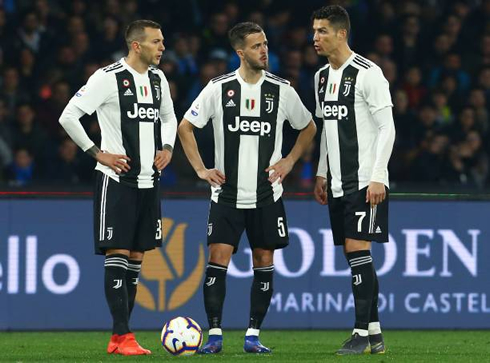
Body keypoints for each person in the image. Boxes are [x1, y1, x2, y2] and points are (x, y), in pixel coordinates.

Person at [178, 22, 316, 354]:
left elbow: (308, 127)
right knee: (218, 257)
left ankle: (253, 335)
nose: (264, 50)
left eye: (265, 44)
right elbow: (186, 127)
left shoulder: (281, 90)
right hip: (226, 195)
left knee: (263, 258)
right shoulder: (218, 88)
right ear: (240, 53)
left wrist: (289, 161)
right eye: (257, 46)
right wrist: (200, 169)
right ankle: (214, 336)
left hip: (266, 195)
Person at [59, 20, 177, 355]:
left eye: (163, 41)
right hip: (116, 181)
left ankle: (119, 337)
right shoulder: (107, 78)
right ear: (137, 46)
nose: (162, 47)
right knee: (118, 252)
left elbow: (168, 117)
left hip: (148, 181)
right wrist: (99, 154)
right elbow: (69, 116)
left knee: (137, 257)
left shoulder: (158, 79)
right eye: (157, 41)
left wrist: (167, 148)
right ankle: (123, 335)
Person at [311, 5, 395, 355]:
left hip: (365, 180)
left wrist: (378, 177)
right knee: (352, 254)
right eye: (314, 31)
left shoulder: (368, 73)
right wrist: (320, 171)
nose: (315, 38)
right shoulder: (320, 78)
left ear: (341, 33)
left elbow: (387, 128)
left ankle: (361, 333)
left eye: (322, 31)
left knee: (357, 250)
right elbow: (328, 130)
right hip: (337, 182)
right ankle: (374, 334)